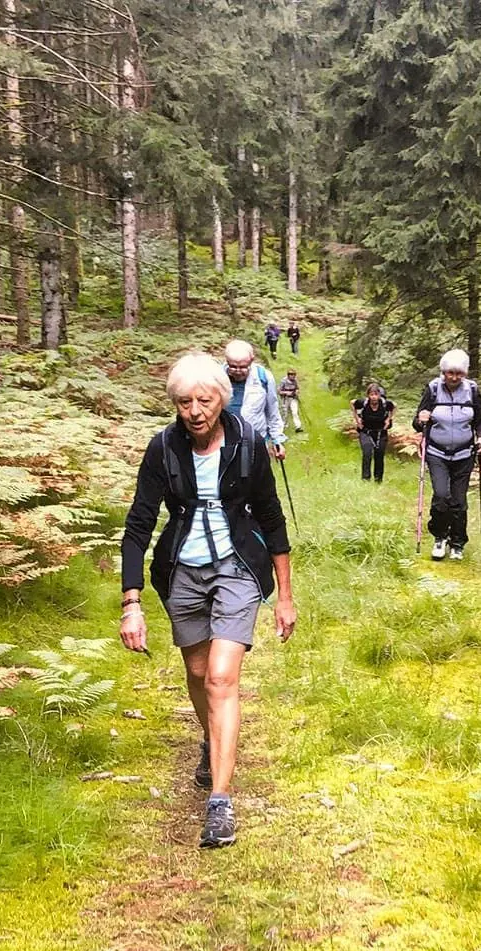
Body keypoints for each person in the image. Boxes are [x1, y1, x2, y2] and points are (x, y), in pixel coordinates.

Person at [120, 353, 297, 849]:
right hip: (182, 571)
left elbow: (271, 517)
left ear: (222, 399)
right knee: (198, 675)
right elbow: (138, 526)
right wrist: (131, 602)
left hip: (237, 567)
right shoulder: (163, 448)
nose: (195, 411)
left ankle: (220, 802)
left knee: (221, 677)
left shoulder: (248, 443)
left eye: (204, 400)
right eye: (184, 403)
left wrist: (285, 596)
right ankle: (212, 737)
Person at [415, 349, 481, 560]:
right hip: (437, 452)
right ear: (443, 372)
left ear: (464, 373)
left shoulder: (472, 390)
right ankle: (439, 536)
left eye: (459, 373)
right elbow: (418, 423)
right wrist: (421, 419)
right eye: (450, 373)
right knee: (441, 496)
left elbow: (480, 421)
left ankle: (457, 542)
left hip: (464, 453)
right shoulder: (433, 389)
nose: (454, 377)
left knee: (459, 501)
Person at [223, 339, 287, 460]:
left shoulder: (263, 377)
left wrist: (277, 440)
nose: (238, 371)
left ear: (251, 361)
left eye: (243, 367)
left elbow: (272, 411)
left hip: (256, 441)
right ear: (227, 361)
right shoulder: (217, 377)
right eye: (233, 366)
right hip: (224, 442)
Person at [351, 382, 395, 482]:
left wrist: (389, 419)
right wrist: (357, 420)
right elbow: (352, 403)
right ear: (368, 395)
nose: (374, 397)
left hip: (381, 432)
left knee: (379, 455)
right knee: (367, 453)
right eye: (371, 394)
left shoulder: (385, 403)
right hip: (366, 431)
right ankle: (365, 479)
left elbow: (394, 406)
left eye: (376, 394)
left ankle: (378, 479)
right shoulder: (364, 403)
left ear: (379, 395)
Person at [278, 369, 304, 433]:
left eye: (294, 374)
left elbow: (297, 388)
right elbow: (279, 391)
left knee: (295, 412)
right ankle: (283, 427)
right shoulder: (283, 381)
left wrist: (297, 391)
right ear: (288, 375)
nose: (293, 376)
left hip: (293, 398)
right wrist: (286, 393)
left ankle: (298, 427)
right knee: (285, 414)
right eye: (291, 374)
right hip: (285, 399)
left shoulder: (295, 381)